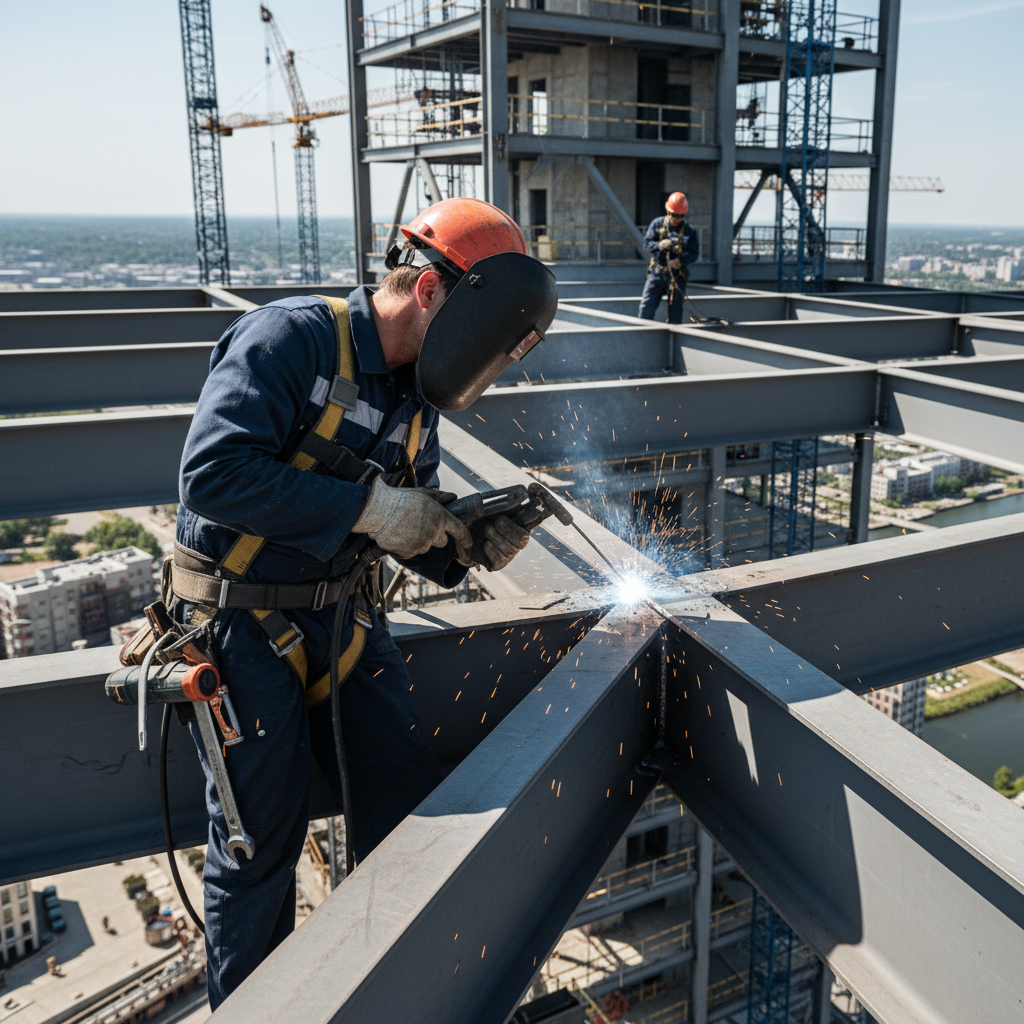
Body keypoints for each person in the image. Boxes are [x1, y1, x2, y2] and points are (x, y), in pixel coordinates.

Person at [168, 197, 558, 1008]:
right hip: (242, 625)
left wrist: (462, 541)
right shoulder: (291, 340)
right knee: (257, 847)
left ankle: (404, 998)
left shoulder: (417, 395)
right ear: (431, 292)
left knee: (408, 811)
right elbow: (213, 475)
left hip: (343, 617)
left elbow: (408, 518)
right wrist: (371, 509)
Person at [638, 192, 699, 324]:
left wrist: (680, 261)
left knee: (675, 314)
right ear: (668, 211)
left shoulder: (689, 231)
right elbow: (647, 245)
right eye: (675, 215)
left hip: (677, 276)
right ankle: (643, 334)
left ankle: (673, 336)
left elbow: (694, 254)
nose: (677, 219)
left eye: (680, 216)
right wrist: (659, 245)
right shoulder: (657, 224)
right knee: (646, 309)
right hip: (658, 273)